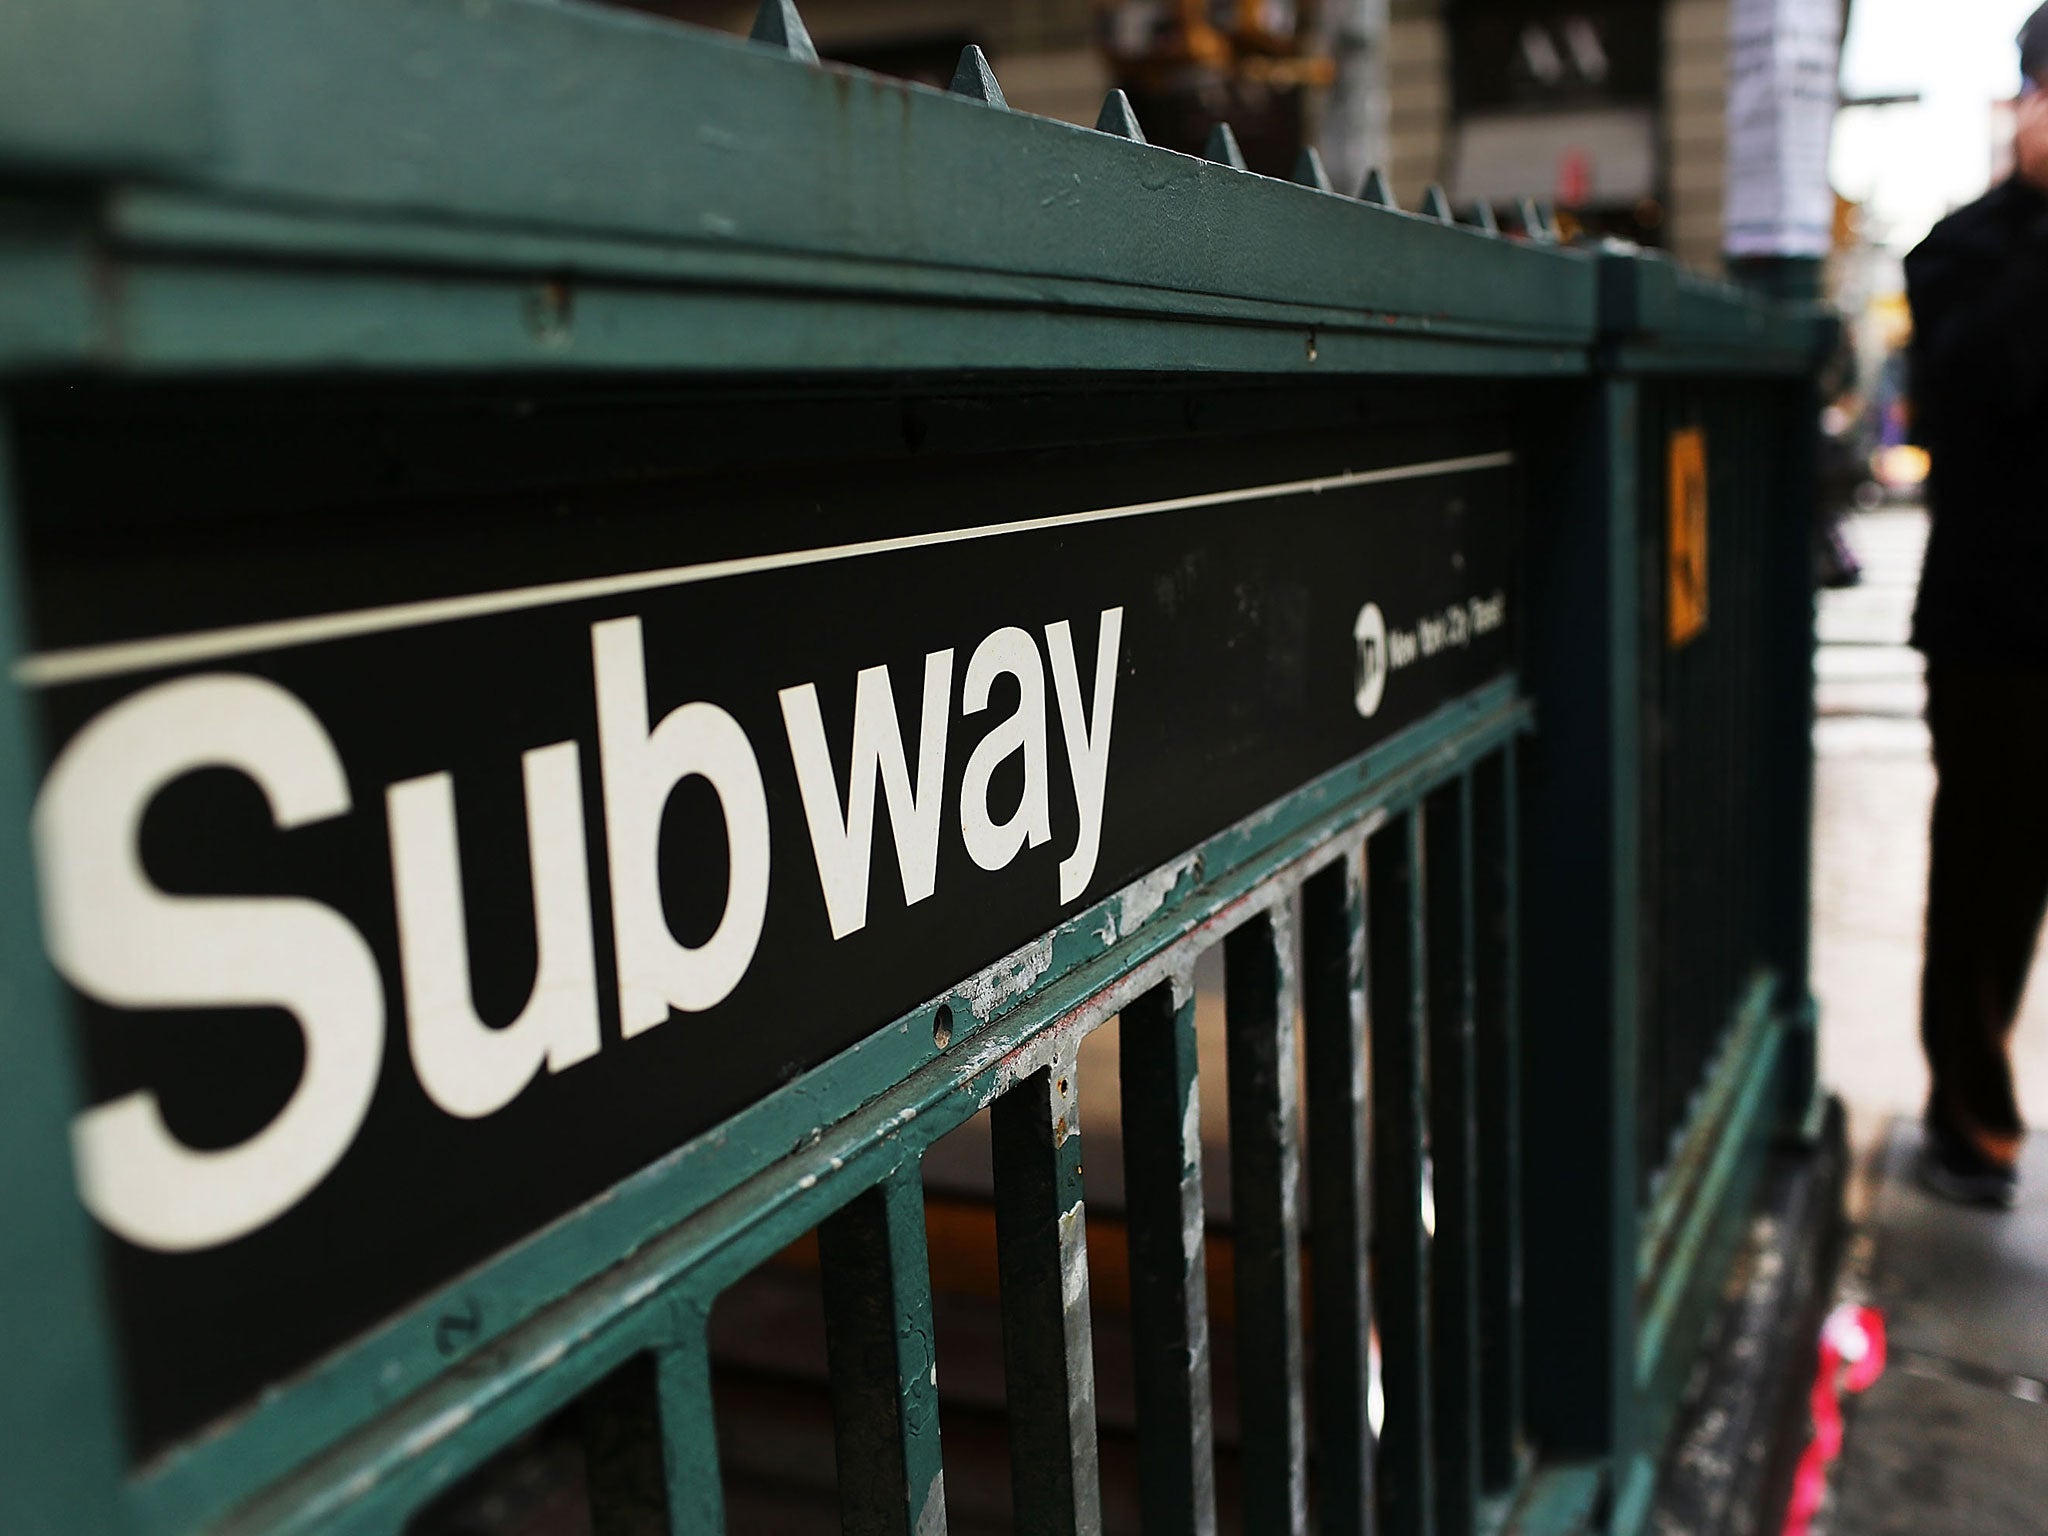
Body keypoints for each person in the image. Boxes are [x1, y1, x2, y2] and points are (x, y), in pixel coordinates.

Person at [1903, 4, 2048, 1207]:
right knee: (1987, 880)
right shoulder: (1960, 251)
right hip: (1997, 630)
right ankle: (1967, 1116)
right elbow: (1971, 392)